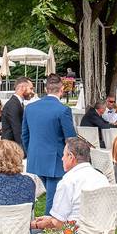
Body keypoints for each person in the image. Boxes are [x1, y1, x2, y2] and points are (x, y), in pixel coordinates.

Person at [22, 74, 77, 214]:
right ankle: (48, 231)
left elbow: (25, 135)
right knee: (53, 198)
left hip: (36, 157)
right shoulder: (63, 110)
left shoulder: (30, 108)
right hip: (56, 160)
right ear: (62, 89)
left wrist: (32, 153)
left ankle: (54, 224)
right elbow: (70, 139)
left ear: (46, 89)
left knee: (54, 194)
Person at [30, 137, 109, 231]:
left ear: (71, 157)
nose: (62, 158)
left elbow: (57, 224)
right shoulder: (102, 178)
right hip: (99, 231)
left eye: (64, 155)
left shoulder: (68, 181)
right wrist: (49, 218)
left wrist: (36, 225)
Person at [1, 77, 34, 150]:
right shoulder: (13, 105)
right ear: (22, 88)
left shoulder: (16, 103)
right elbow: (18, 131)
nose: (32, 92)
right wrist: (25, 152)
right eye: (31, 89)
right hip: (10, 149)